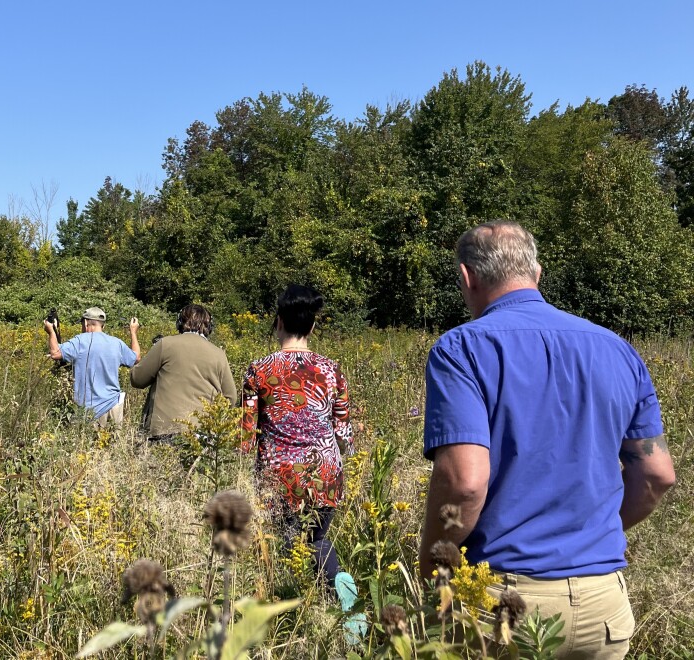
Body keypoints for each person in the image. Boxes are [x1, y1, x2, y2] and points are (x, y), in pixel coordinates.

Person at [419, 221, 675, 658]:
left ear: (468, 277)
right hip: (604, 605)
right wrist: (590, 535)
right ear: (536, 273)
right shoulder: (616, 349)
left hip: (503, 602)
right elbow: (656, 475)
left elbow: (465, 482)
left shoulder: (461, 350)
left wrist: (433, 559)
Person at [241, 284, 366, 643]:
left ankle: (291, 617)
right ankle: (343, 599)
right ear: (311, 327)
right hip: (325, 473)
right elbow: (344, 431)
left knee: (284, 544)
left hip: (277, 476)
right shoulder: (331, 370)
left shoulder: (258, 371)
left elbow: (247, 436)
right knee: (317, 539)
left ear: (278, 323)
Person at [130, 304, 236, 442]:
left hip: (164, 429)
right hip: (203, 432)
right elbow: (230, 397)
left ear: (179, 322)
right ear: (209, 327)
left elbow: (137, 379)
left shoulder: (165, 344)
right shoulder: (219, 354)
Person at [44, 307, 140, 427]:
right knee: (114, 444)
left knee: (86, 444)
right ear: (103, 326)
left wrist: (51, 332)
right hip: (113, 405)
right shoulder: (117, 343)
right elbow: (136, 358)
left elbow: (55, 353)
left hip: (89, 411)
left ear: (85, 322)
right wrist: (133, 332)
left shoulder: (79, 341)